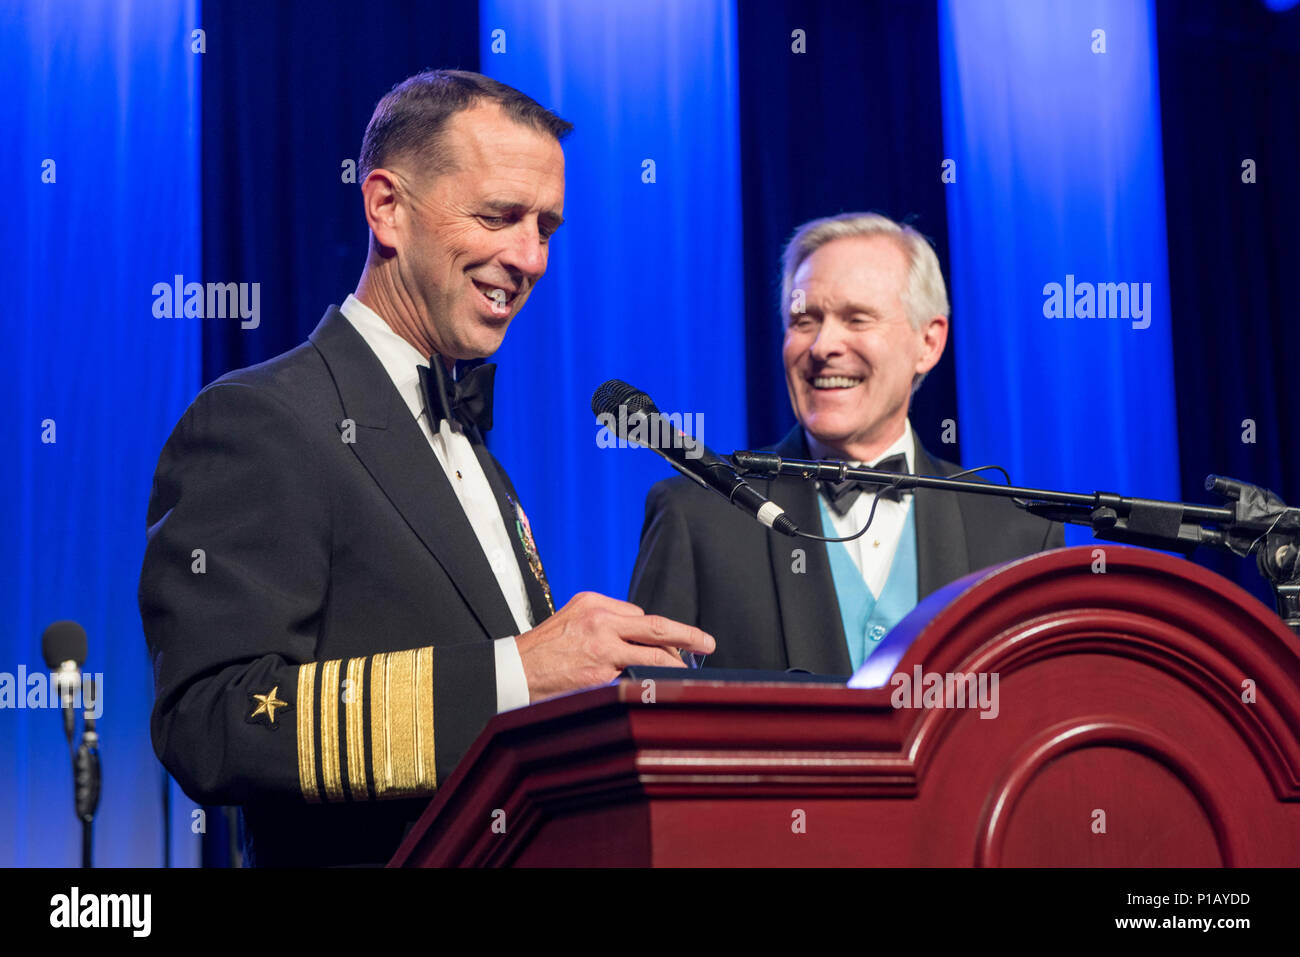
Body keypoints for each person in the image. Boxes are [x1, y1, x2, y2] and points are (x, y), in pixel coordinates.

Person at [139, 70, 713, 867]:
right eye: (499, 215)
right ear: (386, 208)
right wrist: (523, 669)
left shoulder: (479, 455)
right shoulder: (261, 419)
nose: (531, 256)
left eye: (546, 226)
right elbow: (210, 722)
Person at [629, 212, 1061, 675]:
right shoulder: (696, 515)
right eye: (804, 320)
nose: (823, 346)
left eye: (856, 318)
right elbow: (649, 714)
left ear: (929, 343)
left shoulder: (1019, 533)